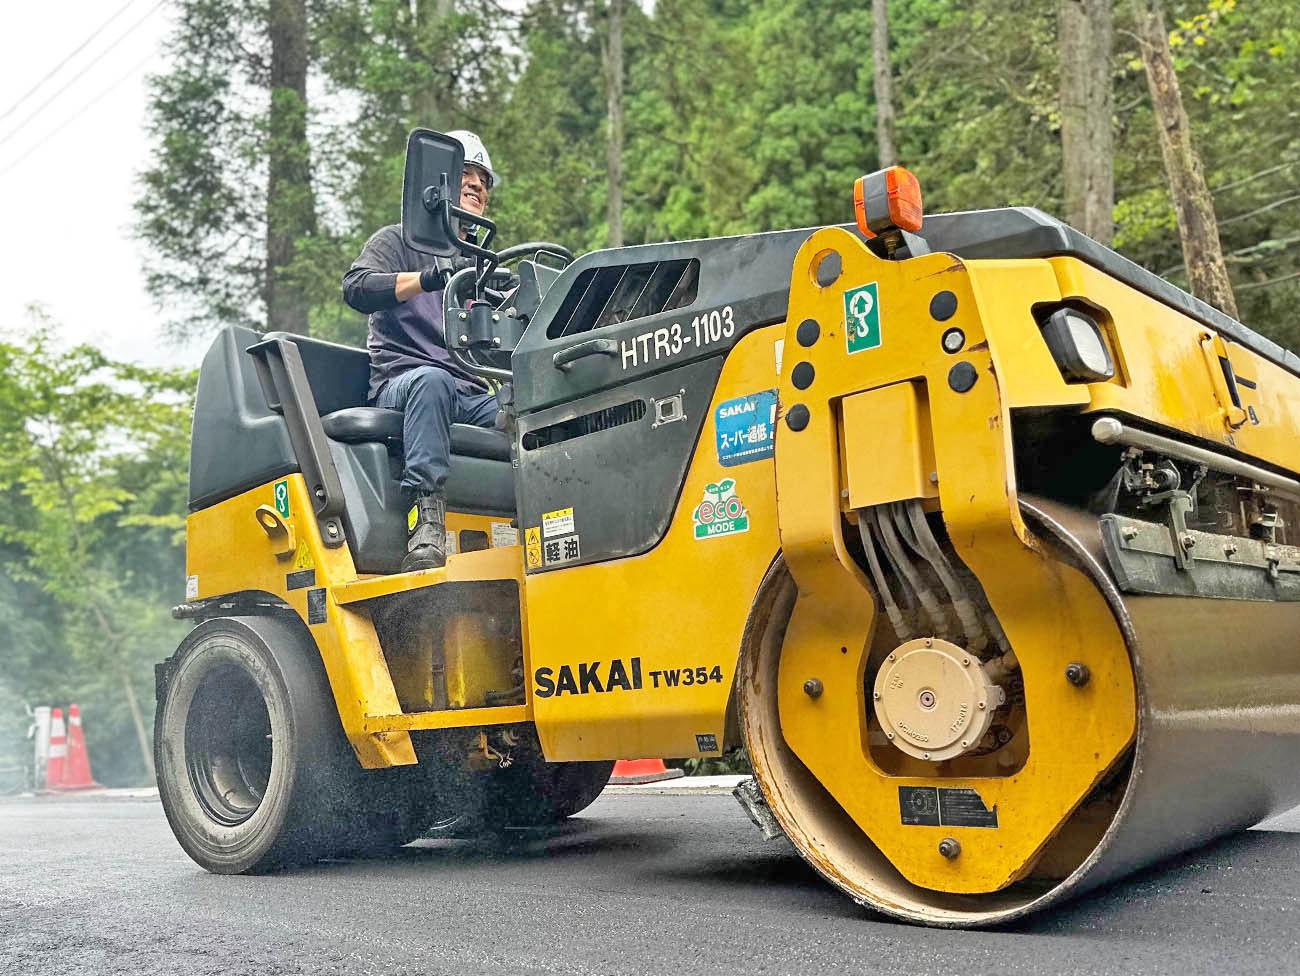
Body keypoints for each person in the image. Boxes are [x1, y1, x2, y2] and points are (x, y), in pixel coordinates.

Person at [341, 130, 501, 572]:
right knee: (434, 381)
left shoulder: (480, 266)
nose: (477, 185)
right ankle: (426, 518)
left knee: (524, 410)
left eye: (484, 180)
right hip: (404, 384)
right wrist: (427, 277)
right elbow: (356, 288)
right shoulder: (396, 241)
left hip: (467, 393)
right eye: (466, 173)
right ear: (438, 182)